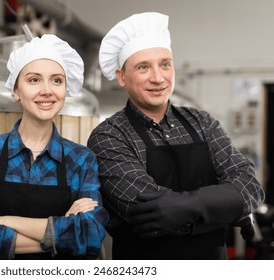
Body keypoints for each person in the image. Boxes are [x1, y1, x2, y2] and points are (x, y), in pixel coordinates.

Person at [87, 12, 265, 260]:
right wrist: (229, 210)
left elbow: (250, 187)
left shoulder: (202, 122)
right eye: (143, 67)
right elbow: (149, 215)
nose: (158, 77)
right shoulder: (109, 136)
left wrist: (183, 208)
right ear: (121, 76)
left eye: (165, 64)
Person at [0, 34, 109, 260]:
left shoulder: (82, 159)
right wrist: (63, 230)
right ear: (16, 91)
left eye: (56, 80)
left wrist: (4, 221)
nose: (47, 90)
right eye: (34, 80)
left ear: (65, 90)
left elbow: (91, 237)